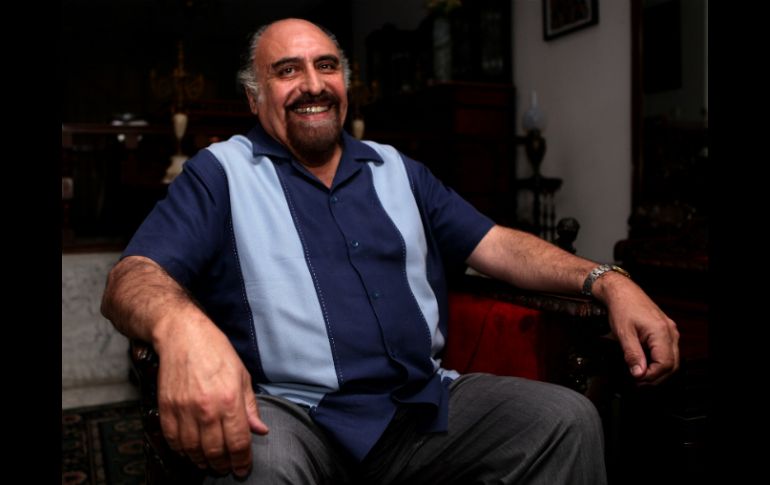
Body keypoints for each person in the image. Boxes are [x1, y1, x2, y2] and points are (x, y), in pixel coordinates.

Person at [101, 18, 679, 485]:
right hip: (294, 414)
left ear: (345, 84)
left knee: (566, 420)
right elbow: (132, 276)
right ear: (255, 98)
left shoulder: (397, 168)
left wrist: (609, 280)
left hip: (422, 406)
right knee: (257, 467)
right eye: (287, 70)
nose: (313, 83)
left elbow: (499, 244)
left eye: (327, 65)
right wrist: (182, 326)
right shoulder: (220, 173)